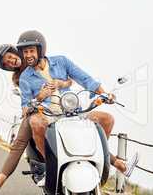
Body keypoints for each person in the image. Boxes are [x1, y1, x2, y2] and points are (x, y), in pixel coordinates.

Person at [17, 30, 139, 184]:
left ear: (40, 50)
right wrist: (39, 97)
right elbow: (25, 107)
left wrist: (104, 94)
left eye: (31, 51)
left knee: (106, 119)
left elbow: (85, 79)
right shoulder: (25, 77)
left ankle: (96, 159)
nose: (28, 55)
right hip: (47, 116)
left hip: (72, 113)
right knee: (35, 122)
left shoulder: (61, 61)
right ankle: (50, 167)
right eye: (25, 52)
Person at [0, 44, 72, 194]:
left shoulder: (39, 60)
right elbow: (26, 100)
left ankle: (118, 165)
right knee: (21, 138)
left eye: (10, 57)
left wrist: (60, 84)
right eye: (6, 64)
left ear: (15, 52)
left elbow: (68, 81)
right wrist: (28, 106)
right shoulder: (18, 77)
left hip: (63, 106)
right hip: (39, 110)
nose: (11, 62)